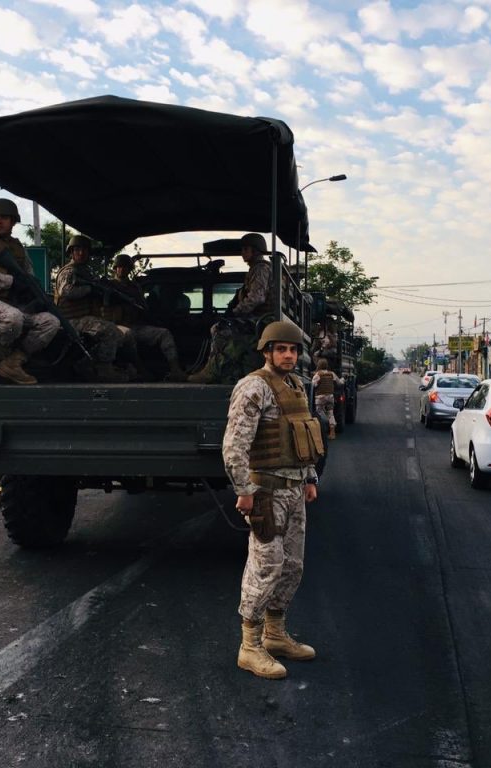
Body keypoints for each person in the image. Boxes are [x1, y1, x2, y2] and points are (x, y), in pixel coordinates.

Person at [222, 320, 323, 679]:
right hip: (266, 491)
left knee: (292, 565)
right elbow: (235, 444)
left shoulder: (295, 385)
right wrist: (244, 491)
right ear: (267, 351)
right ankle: (249, 646)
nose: (289, 355)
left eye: (293, 350)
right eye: (281, 349)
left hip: (294, 489)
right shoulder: (254, 387)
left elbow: (305, 435)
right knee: (266, 565)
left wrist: (310, 478)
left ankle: (276, 634)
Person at [0, 198, 61, 385]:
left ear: (13, 222)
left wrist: (33, 293)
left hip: (12, 304)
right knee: (13, 317)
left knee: (51, 321)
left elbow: (28, 276)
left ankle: (13, 362)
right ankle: (1, 357)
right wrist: (11, 282)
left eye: (4, 218)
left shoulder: (17, 247)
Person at [188, 233, 274, 384]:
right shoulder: (258, 268)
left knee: (219, 328)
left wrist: (235, 313)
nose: (242, 253)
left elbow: (256, 298)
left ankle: (211, 371)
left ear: (255, 250)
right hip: (261, 318)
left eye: (245, 249)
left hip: (263, 319)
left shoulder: (260, 268)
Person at [53, 234, 131, 382]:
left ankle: (87, 365)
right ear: (71, 252)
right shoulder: (69, 271)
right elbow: (66, 291)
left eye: (84, 250)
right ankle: (104, 369)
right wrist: (90, 289)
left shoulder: (85, 271)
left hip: (83, 317)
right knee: (109, 331)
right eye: (77, 250)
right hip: (71, 319)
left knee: (118, 333)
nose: (81, 253)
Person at [105, 253, 187, 382]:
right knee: (128, 334)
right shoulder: (108, 286)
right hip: (115, 326)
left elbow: (144, 308)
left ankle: (175, 370)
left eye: (125, 267)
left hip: (135, 325)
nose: (122, 270)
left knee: (164, 333)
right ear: (115, 268)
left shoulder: (135, 288)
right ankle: (141, 370)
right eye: (119, 267)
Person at [312, 358, 344, 439]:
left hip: (320, 398)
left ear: (318, 365)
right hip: (330, 397)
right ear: (326, 365)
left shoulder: (317, 375)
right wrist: (343, 379)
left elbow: (313, 385)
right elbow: (339, 383)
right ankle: (332, 433)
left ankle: (319, 433)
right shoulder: (331, 374)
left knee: (318, 414)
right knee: (330, 414)